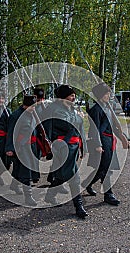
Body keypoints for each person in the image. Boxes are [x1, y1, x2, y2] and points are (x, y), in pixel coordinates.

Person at [43, 85, 88, 218]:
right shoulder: (55, 110)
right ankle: (78, 206)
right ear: (63, 97)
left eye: (74, 95)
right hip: (63, 147)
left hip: (74, 146)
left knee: (63, 174)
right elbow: (67, 124)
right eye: (70, 95)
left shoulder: (73, 109)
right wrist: (79, 117)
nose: (73, 97)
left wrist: (83, 147)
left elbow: (80, 130)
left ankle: (49, 195)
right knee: (74, 177)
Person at [85, 82, 129, 206]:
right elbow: (95, 129)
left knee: (102, 169)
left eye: (109, 93)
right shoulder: (96, 110)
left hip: (109, 141)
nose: (109, 95)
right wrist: (98, 145)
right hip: (102, 142)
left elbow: (113, 126)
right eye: (106, 93)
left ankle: (88, 184)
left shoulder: (107, 107)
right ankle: (108, 194)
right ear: (100, 95)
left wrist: (123, 137)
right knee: (105, 169)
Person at [5, 95, 39, 206]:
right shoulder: (15, 116)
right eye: (32, 106)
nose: (34, 108)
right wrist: (9, 148)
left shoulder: (33, 114)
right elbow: (10, 133)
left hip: (32, 147)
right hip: (21, 147)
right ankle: (28, 197)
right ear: (25, 105)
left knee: (19, 168)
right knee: (26, 171)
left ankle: (14, 185)